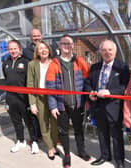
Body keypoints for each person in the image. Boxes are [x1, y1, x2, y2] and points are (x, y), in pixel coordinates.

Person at [45, 34, 91, 168]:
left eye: (69, 43)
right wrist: (53, 106)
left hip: (78, 104)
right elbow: (50, 87)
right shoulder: (54, 64)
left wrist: (87, 99)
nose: (66, 46)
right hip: (61, 105)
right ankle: (66, 155)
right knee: (63, 131)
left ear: (73, 45)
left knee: (78, 129)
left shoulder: (79, 61)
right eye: (63, 43)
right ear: (59, 45)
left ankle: (81, 151)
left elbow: (87, 82)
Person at [88, 39, 130, 168]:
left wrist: (110, 91)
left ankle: (119, 161)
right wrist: (90, 92)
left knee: (117, 135)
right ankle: (105, 155)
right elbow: (88, 83)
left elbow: (125, 87)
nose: (107, 53)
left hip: (114, 107)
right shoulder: (94, 67)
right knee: (102, 132)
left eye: (110, 50)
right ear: (100, 52)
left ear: (115, 52)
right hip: (98, 106)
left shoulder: (122, 67)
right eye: (104, 50)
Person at [2, 40, 39, 154]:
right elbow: (6, 79)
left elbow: (31, 80)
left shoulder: (26, 62)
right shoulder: (6, 63)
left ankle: (34, 142)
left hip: (24, 98)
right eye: (11, 49)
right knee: (16, 121)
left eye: (15, 48)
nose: (13, 51)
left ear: (19, 49)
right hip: (11, 98)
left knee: (29, 121)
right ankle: (21, 140)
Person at [27, 40, 58, 160]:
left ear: (49, 50)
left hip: (54, 97)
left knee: (55, 124)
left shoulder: (55, 63)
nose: (43, 50)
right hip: (40, 98)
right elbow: (30, 84)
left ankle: (54, 144)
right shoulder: (32, 64)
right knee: (43, 124)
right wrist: (32, 103)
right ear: (37, 52)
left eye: (45, 48)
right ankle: (50, 148)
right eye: (40, 48)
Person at [23, 28, 42, 140]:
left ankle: (52, 136)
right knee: (34, 112)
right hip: (33, 86)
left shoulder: (48, 48)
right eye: (34, 36)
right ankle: (36, 135)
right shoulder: (26, 51)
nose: (36, 38)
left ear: (42, 36)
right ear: (31, 38)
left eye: (38, 35)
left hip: (46, 85)